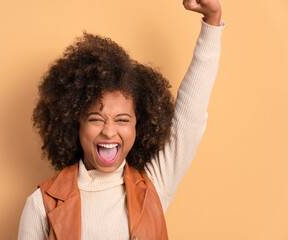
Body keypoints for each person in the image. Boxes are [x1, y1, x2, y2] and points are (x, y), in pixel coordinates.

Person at [18, 0, 225, 239]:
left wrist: (212, 21)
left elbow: (190, 117)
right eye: (96, 119)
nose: (109, 131)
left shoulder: (153, 186)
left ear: (140, 125)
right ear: (76, 123)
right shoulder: (42, 205)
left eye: (122, 120)